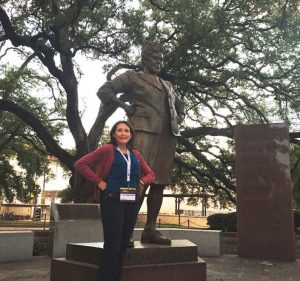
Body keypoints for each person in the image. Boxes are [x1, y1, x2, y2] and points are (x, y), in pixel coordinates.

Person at [97, 43, 185, 245]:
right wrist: (125, 106)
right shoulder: (133, 77)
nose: (159, 63)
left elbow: (180, 104)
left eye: (161, 60)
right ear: (145, 60)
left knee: (159, 183)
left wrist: (179, 116)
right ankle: (125, 230)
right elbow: (105, 90)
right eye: (155, 59)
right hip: (143, 132)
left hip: (167, 136)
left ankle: (150, 229)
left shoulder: (167, 85)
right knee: (136, 182)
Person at [75, 120, 155, 281]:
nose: (123, 133)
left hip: (132, 201)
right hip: (112, 200)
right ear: (113, 134)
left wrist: (141, 181)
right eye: (120, 130)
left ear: (131, 135)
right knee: (112, 245)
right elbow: (80, 164)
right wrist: (99, 182)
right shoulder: (107, 149)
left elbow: (151, 174)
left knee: (123, 245)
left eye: (126, 130)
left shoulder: (136, 154)